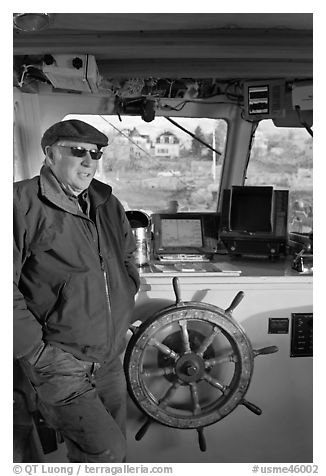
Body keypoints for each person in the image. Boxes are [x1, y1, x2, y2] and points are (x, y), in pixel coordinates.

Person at [13, 119, 140, 463]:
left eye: (95, 154)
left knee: (116, 452)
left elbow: (127, 254)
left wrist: (128, 291)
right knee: (108, 453)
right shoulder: (20, 202)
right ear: (50, 154)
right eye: (78, 152)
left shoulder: (106, 202)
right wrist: (35, 351)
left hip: (109, 356)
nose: (89, 161)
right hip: (59, 360)